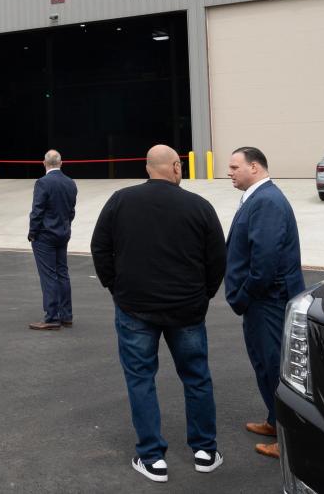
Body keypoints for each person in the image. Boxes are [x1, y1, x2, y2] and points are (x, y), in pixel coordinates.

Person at [91, 145, 227, 482]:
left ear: (148, 168)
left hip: (135, 308)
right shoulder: (199, 206)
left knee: (141, 380)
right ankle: (204, 451)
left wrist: (116, 288)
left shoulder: (120, 201)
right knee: (196, 377)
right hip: (187, 310)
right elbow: (217, 259)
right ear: (177, 167)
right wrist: (204, 294)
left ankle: (152, 457)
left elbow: (99, 247)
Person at [225, 147, 305, 462]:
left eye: (234, 166)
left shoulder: (267, 202)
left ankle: (288, 439)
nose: (229, 172)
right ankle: (274, 421)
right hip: (264, 300)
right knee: (264, 363)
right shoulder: (260, 198)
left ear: (254, 167)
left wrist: (243, 296)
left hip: (267, 301)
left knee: (273, 366)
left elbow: (265, 262)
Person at [26, 150, 76, 330]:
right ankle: (66, 315)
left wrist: (32, 232)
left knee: (48, 276)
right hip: (63, 233)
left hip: (45, 235)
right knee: (62, 273)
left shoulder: (43, 183)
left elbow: (37, 211)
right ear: (61, 163)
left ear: (44, 163)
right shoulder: (70, 183)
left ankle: (52, 317)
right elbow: (71, 211)